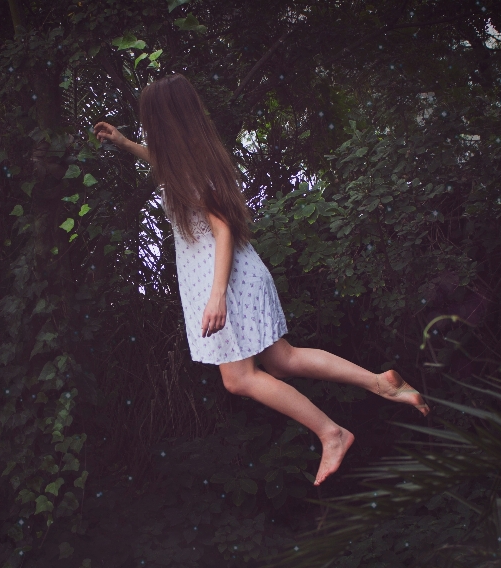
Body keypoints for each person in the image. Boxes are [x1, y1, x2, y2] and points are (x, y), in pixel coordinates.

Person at [94, 73, 429, 486]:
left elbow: (222, 230)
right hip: (241, 275)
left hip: (226, 282)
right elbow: (170, 171)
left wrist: (216, 297)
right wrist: (127, 145)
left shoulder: (189, 169)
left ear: (165, 122)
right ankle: (380, 383)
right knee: (282, 359)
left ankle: (333, 433)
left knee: (238, 380)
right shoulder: (193, 159)